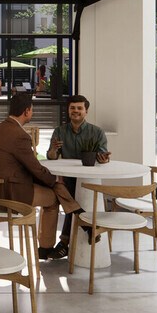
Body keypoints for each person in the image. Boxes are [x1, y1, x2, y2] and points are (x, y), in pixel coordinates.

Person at [0, 94, 86, 260]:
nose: (32, 113)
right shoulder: (19, 135)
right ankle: (46, 247)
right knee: (53, 198)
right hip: (10, 194)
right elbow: (35, 168)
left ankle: (79, 214)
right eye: (32, 110)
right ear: (26, 111)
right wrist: (53, 181)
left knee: (54, 186)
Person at [46, 94, 111, 259]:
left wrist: (103, 159)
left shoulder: (96, 132)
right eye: (72, 108)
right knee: (69, 194)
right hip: (68, 179)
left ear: (86, 111)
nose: (76, 111)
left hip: (89, 180)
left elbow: (102, 156)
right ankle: (88, 229)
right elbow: (52, 158)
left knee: (70, 198)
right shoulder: (59, 131)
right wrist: (53, 149)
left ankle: (64, 243)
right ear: (68, 111)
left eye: (79, 108)